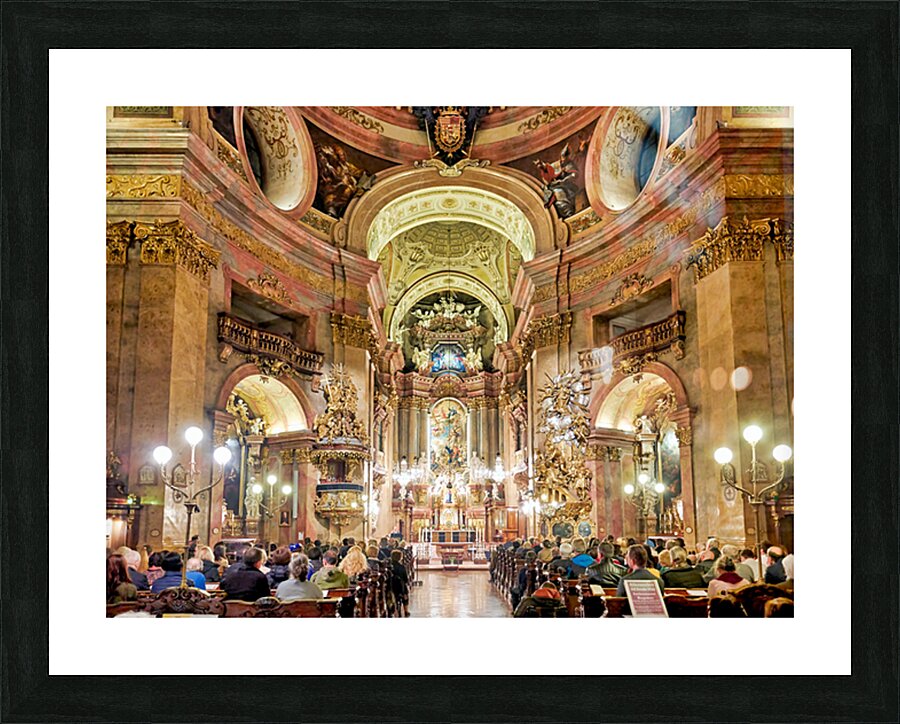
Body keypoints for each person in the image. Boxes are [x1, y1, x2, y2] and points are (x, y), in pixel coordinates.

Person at [390, 549, 410, 617]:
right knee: (405, 594)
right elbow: (405, 579)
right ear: (400, 557)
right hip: (400, 588)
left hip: (391, 586)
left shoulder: (389, 567)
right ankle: (406, 610)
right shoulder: (402, 567)